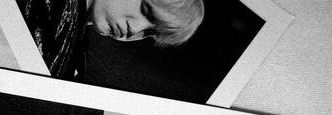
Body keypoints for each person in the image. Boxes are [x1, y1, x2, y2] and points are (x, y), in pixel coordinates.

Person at [16, 0, 205, 78]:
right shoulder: (49, 9)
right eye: (146, 10)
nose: (135, 30)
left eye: (149, 33)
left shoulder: (76, 42)